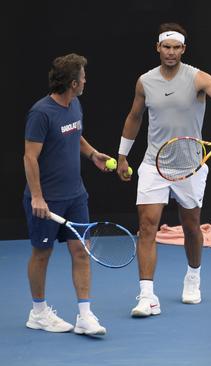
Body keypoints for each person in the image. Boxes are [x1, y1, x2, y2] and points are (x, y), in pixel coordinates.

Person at [117, 22, 211, 317]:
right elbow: (134, 117)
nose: (171, 52)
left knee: (192, 227)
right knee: (147, 226)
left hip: (190, 166)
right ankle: (147, 296)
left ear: (183, 49)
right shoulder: (145, 82)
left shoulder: (197, 78)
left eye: (176, 47)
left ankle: (193, 276)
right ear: (158, 48)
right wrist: (123, 155)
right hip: (154, 163)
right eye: (166, 47)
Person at [23, 53, 113, 335]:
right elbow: (29, 157)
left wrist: (93, 154)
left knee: (81, 252)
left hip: (76, 196)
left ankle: (84, 316)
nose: (86, 80)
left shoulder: (75, 104)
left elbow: (75, 135)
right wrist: (38, 197)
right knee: (42, 253)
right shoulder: (41, 113)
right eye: (83, 77)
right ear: (73, 82)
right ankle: (38, 313)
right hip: (47, 201)